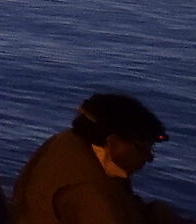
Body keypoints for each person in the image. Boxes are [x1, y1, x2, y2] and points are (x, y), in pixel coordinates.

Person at [13, 94, 176, 224]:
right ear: (112, 143)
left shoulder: (69, 140)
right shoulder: (92, 195)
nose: (149, 158)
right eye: (143, 149)